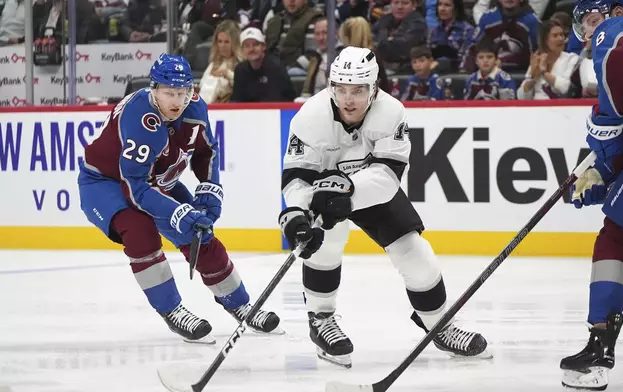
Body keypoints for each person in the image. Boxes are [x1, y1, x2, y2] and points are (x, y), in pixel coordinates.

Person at [278, 46, 490, 368]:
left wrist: (349, 191)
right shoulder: (309, 116)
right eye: (341, 89)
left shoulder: (392, 112)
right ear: (331, 87)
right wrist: (296, 213)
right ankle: (320, 318)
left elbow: (388, 176)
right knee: (326, 243)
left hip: (369, 189)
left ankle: (439, 324)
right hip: (321, 188)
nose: (349, 99)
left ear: (374, 87)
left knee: (415, 252)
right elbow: (296, 176)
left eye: (358, 90)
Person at [77, 54, 281, 344]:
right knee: (140, 231)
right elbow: (136, 188)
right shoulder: (140, 118)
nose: (175, 101)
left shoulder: (195, 107)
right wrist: (179, 211)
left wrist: (211, 188)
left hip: (156, 181)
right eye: (168, 93)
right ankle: (172, 310)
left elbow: (206, 150)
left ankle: (240, 303)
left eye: (181, 93)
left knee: (201, 234)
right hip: (106, 183)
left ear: (190, 91)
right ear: (154, 89)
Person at [559, 1, 623, 389]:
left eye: (595, 21)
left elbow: (613, 117)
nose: (592, 33)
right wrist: (604, 172)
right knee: (619, 232)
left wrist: (603, 147)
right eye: (586, 25)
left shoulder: (618, 32)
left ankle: (599, 343)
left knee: (617, 239)